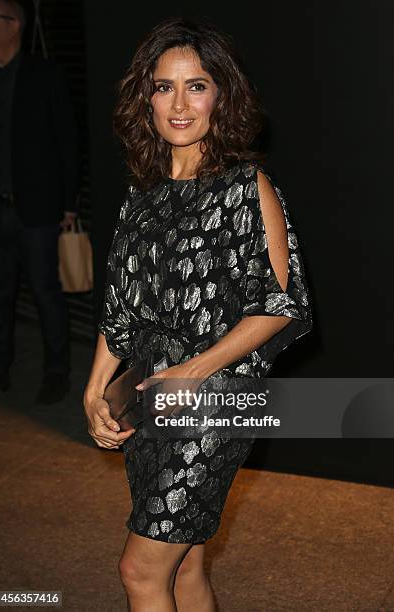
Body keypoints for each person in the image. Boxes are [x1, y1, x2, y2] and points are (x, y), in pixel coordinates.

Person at [84, 17, 313, 612]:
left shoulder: (246, 187)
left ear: (222, 94)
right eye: (164, 87)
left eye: (197, 85)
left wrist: (195, 370)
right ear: (147, 98)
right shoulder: (143, 192)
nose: (179, 104)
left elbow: (277, 307)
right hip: (152, 392)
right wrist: (93, 387)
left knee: (139, 570)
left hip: (214, 400)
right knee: (182, 569)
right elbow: (123, 305)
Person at [0, 0, 80, 403]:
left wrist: (68, 204)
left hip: (38, 209)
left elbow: (66, 141)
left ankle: (57, 371)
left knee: (46, 292)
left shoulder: (44, 74)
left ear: (14, 25)